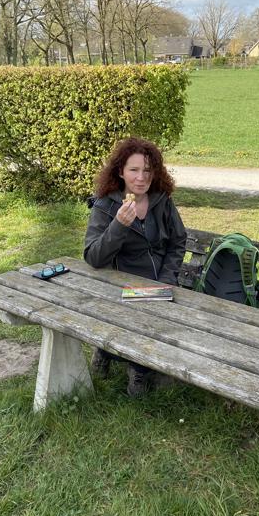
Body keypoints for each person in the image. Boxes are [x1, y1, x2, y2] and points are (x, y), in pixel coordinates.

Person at [84, 136, 187, 396]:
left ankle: (139, 366)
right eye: (134, 170)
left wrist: (166, 277)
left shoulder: (161, 201)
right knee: (135, 315)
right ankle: (121, 358)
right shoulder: (106, 205)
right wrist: (118, 225)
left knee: (165, 315)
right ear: (121, 172)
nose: (141, 177)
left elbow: (177, 241)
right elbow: (94, 256)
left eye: (148, 170)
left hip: (160, 283)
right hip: (123, 285)